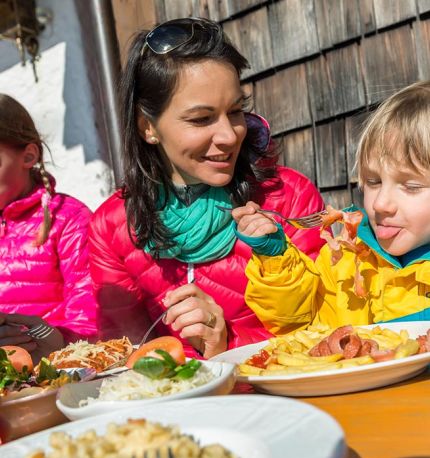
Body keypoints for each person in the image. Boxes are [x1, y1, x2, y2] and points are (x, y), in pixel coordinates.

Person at [89, 17, 326, 359]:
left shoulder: (288, 197)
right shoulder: (112, 227)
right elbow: (126, 356)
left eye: (235, 111)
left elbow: (326, 329)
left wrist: (228, 343)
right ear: (148, 127)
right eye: (201, 119)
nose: (229, 136)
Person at [233, 81, 430, 335]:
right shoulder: (344, 261)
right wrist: (276, 260)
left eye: (411, 186)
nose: (381, 204)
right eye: (373, 181)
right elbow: (302, 327)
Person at [0, 94, 96, 360]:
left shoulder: (68, 219)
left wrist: (51, 340)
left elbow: (91, 319)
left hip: (58, 374)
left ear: (28, 156)